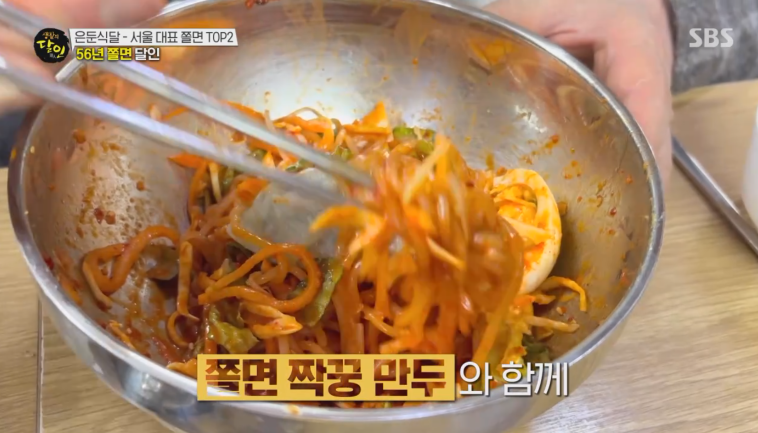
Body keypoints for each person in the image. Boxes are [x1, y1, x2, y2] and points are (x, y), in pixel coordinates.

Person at [0, 0, 756, 185]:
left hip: (522, 80)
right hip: (174, 54)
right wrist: (72, 42)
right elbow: (64, 48)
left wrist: (675, 19)